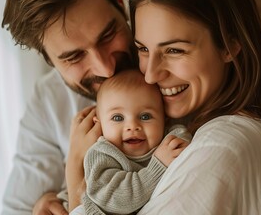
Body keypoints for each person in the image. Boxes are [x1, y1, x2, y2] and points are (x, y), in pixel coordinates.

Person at [124, 0, 261, 214]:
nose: (150, 75)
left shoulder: (219, 148)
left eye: (174, 50)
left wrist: (80, 187)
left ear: (229, 45)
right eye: (142, 48)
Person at [0, 0, 138, 214]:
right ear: (48, 59)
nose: (106, 68)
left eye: (107, 36)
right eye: (74, 57)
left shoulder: (174, 68)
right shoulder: (49, 100)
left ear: (119, 3)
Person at [60, 69, 191, 214]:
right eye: (118, 118)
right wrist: (157, 167)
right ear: (100, 125)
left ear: (164, 120)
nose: (132, 126)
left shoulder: (166, 140)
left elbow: (183, 139)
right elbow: (117, 200)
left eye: (145, 116)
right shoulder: (102, 155)